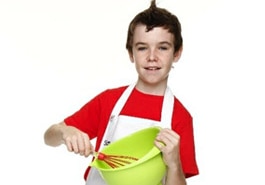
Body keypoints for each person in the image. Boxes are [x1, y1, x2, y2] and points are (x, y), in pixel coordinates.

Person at [44, 0, 199, 184]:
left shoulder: (179, 117)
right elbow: (49, 137)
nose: (151, 57)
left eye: (163, 48)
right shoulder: (109, 101)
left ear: (177, 53)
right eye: (142, 48)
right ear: (131, 53)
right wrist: (64, 132)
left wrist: (174, 164)